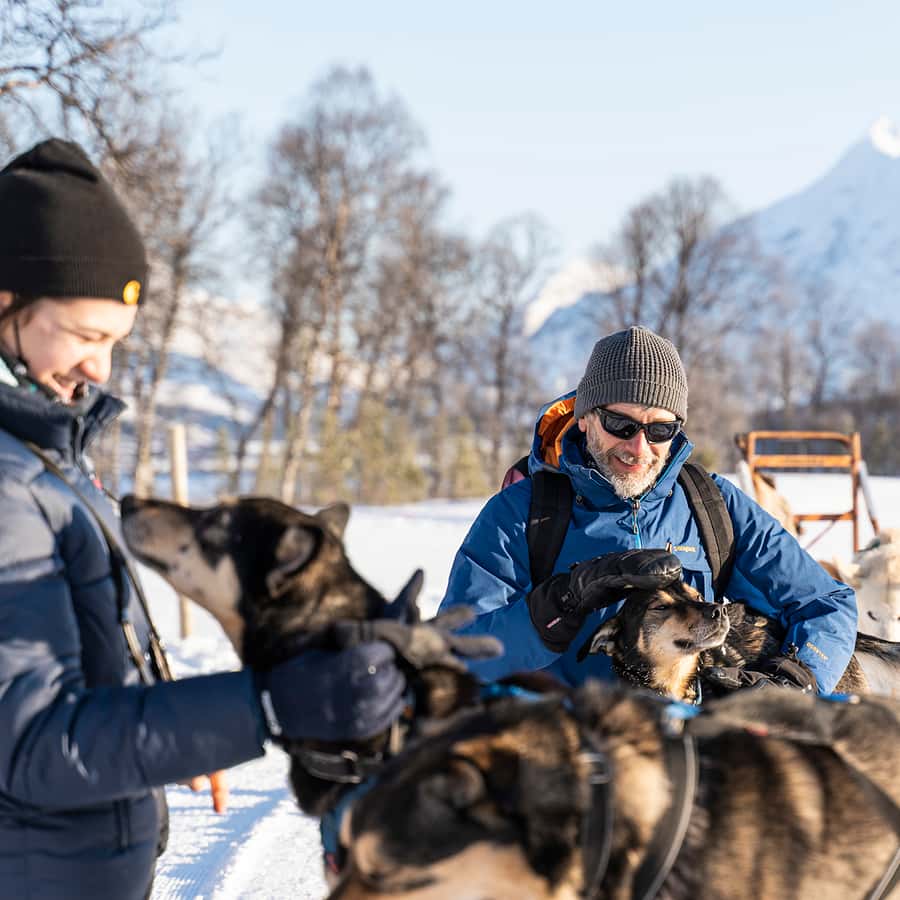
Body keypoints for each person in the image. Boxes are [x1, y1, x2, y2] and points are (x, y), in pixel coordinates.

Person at [0, 139, 444, 900]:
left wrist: (177, 727)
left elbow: (81, 655)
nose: (101, 369)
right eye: (85, 335)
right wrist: (262, 705)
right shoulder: (9, 486)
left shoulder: (48, 458)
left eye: (115, 342)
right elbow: (34, 746)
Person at [438, 325, 858, 694]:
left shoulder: (711, 505)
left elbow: (827, 603)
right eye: (621, 425)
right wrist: (559, 603)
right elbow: (456, 654)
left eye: (660, 429)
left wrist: (796, 679)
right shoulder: (521, 514)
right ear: (584, 418)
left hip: (685, 736)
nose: (639, 447)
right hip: (568, 738)